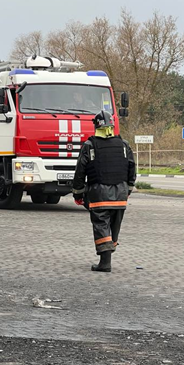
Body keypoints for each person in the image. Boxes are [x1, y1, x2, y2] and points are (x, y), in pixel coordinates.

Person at [72, 110, 136, 272]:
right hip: (120, 195)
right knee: (114, 226)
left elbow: (80, 171)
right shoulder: (124, 145)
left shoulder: (89, 145)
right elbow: (131, 169)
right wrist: (128, 190)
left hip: (99, 193)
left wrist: (78, 193)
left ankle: (105, 263)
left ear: (96, 126)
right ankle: (107, 256)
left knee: (101, 224)